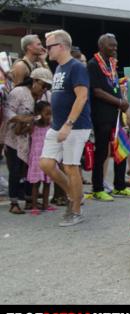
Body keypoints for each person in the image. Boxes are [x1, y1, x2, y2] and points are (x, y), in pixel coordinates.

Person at [39, 30, 93, 227]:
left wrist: (68, 124)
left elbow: (82, 96)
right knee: (46, 164)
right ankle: (74, 194)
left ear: (61, 46)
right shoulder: (60, 68)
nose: (47, 50)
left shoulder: (76, 67)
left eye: (49, 46)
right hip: (58, 126)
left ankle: (75, 210)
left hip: (75, 126)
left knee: (70, 166)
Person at [86, 33, 130, 201]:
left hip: (117, 114)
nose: (115, 48)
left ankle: (120, 187)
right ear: (101, 46)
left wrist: (123, 104)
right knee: (101, 152)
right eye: (111, 45)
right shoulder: (93, 64)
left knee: (122, 150)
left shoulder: (112, 64)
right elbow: (96, 91)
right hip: (101, 115)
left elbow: (114, 87)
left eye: (115, 45)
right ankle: (98, 188)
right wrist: (119, 102)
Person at [4, 68, 52, 214]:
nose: (45, 89)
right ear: (34, 81)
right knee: (15, 171)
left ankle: (29, 199)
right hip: (14, 138)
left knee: (28, 171)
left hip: (34, 140)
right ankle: (14, 202)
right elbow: (7, 112)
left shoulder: (46, 96)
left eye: (48, 87)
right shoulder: (19, 92)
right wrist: (22, 119)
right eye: (43, 85)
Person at [27, 101, 55, 214]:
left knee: (47, 183)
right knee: (36, 184)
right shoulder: (33, 126)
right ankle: (34, 206)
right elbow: (22, 131)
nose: (49, 116)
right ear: (38, 114)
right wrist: (33, 120)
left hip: (48, 157)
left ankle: (45, 205)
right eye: (46, 114)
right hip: (36, 159)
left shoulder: (51, 126)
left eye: (50, 114)